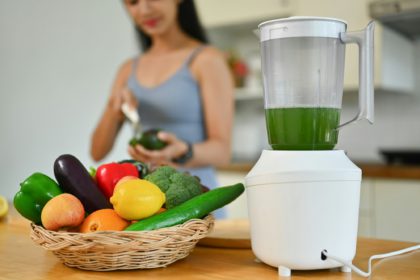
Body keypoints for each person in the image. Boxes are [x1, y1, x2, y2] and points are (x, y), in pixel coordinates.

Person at [90, 0, 234, 217]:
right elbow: (97, 151)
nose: (144, 10)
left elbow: (222, 151)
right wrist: (115, 108)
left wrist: (183, 152)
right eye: (133, 2)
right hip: (146, 207)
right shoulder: (127, 70)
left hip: (200, 204)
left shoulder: (207, 60)